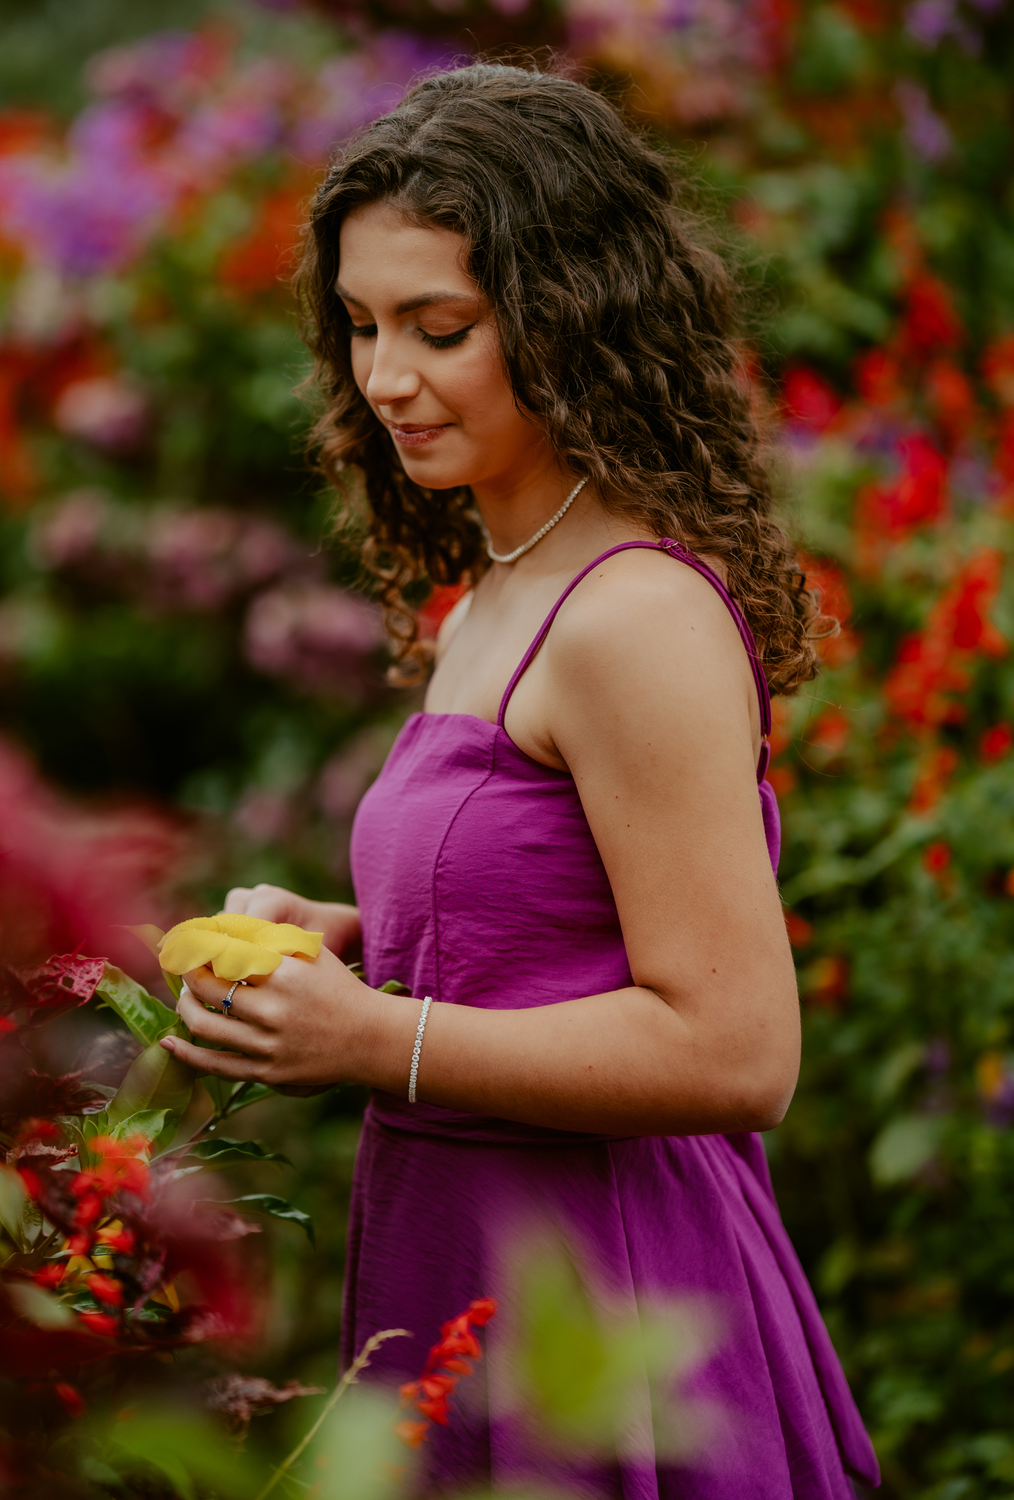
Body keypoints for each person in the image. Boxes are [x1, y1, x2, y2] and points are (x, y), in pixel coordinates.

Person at [159, 63, 881, 1498]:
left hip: (602, 1292)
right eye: (361, 324)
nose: (386, 378)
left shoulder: (633, 617)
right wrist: (341, 949)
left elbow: (737, 1052)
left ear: (572, 318)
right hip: (464, 1253)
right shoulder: (495, 591)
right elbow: (544, 933)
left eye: (441, 329)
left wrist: (375, 1039)